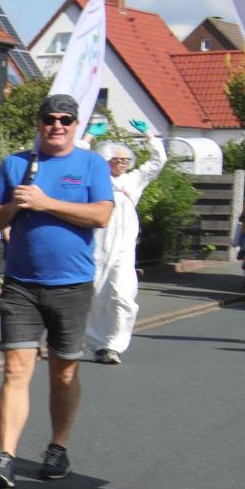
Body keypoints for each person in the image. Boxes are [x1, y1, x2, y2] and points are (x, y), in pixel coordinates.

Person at [0, 94, 114, 489]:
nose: (57, 126)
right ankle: (5, 456)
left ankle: (58, 447)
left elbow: (102, 214)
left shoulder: (91, 164)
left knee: (64, 371)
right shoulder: (16, 164)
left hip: (71, 285)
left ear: (76, 126)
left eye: (65, 120)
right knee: (15, 369)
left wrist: (46, 202)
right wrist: (15, 207)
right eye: (50, 119)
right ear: (39, 123)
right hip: (22, 283)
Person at [84, 130, 166, 364]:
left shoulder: (134, 179)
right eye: (116, 159)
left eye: (125, 160)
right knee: (95, 295)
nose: (122, 163)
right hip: (98, 244)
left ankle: (114, 345)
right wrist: (89, 137)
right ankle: (98, 344)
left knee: (123, 295)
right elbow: (78, 158)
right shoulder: (95, 177)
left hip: (123, 248)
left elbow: (158, 162)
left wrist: (150, 137)